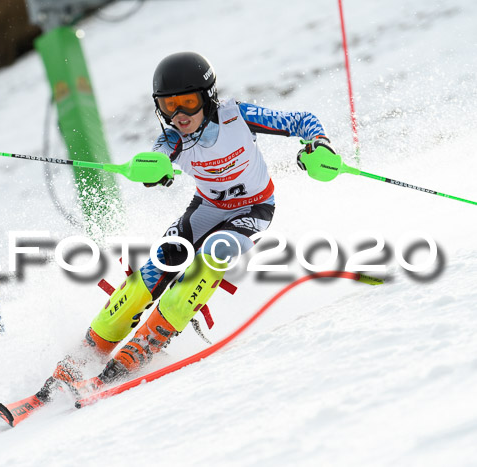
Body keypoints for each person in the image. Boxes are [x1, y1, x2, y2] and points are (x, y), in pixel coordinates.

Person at [32, 51, 336, 401]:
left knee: (211, 257)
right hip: (206, 209)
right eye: (168, 105)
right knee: (156, 268)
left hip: (253, 210)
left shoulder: (238, 116)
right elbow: (158, 156)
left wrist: (318, 145)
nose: (179, 115)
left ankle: (151, 339)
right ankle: (90, 348)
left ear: (207, 97)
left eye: (188, 103)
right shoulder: (174, 138)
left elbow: (302, 120)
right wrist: (151, 168)